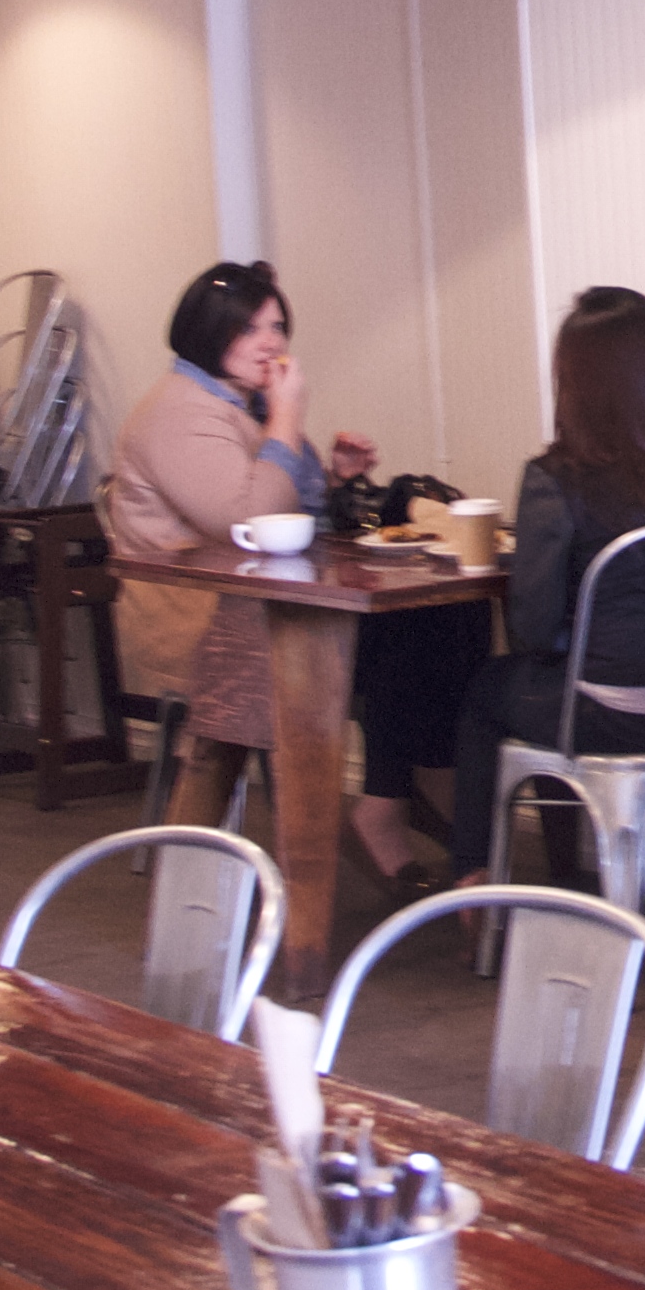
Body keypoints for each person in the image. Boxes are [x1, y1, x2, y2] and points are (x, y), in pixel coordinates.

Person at [102, 259, 467, 885]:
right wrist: (289, 417)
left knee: (442, 617)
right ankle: (406, 804)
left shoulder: (237, 403)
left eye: (277, 328)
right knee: (407, 638)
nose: (270, 343)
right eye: (249, 328)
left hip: (261, 602)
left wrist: (334, 479)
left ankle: (397, 800)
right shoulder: (180, 411)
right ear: (206, 332)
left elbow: (282, 512)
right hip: (201, 620)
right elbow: (249, 518)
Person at [451, 286, 645, 882]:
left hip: (623, 713)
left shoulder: (555, 476)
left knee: (487, 690)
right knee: (554, 683)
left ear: (573, 379)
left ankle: (475, 890)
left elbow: (533, 629)